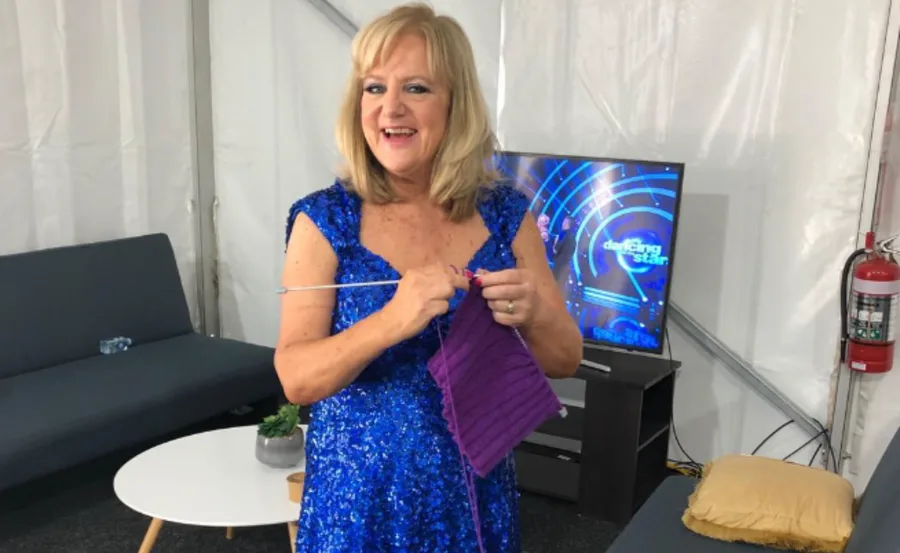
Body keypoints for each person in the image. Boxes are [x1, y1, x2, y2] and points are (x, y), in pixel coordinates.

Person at [274, 4, 583, 551]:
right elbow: (296, 380)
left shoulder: (505, 215)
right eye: (374, 88)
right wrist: (393, 320)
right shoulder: (325, 220)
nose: (390, 107)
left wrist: (533, 313)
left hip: (473, 501)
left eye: (416, 88)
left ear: (455, 104)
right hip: (359, 506)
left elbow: (564, 360)